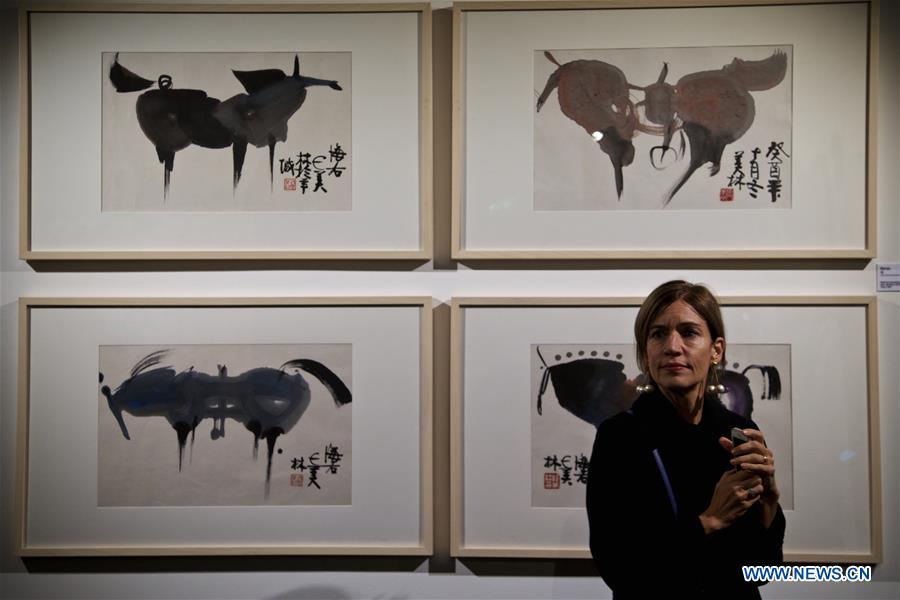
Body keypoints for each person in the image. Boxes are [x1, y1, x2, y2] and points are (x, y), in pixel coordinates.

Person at [586, 280, 785, 599]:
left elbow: (765, 567)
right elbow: (619, 569)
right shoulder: (620, 437)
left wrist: (769, 501)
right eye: (658, 334)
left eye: (689, 332)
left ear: (716, 350)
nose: (672, 347)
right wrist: (709, 521)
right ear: (646, 352)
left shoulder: (738, 430)